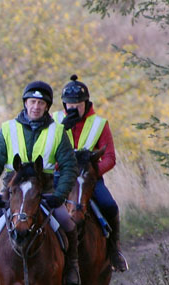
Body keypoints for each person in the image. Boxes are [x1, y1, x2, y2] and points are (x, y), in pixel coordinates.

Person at [0, 80, 81, 285]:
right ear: (25, 103)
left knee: (68, 225)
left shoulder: (57, 132)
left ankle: (72, 266)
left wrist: (60, 195)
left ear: (47, 107)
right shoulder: (8, 129)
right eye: (32, 102)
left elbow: (69, 167)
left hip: (44, 193)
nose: (35, 106)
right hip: (12, 193)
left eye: (40, 103)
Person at [53, 75, 129, 271]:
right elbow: (45, 151)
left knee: (109, 205)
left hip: (88, 179)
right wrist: (61, 130)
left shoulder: (99, 124)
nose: (73, 108)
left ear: (86, 103)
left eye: (77, 104)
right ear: (64, 104)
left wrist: (92, 174)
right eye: (69, 104)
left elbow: (110, 157)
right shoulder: (54, 121)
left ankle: (114, 250)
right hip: (60, 177)